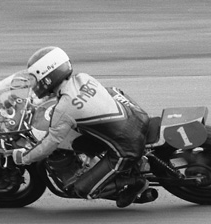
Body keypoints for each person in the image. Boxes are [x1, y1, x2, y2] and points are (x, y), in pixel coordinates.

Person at [12, 46, 151, 208]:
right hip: (136, 116)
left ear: (47, 78)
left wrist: (24, 158)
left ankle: (137, 182)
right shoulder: (83, 78)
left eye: (35, 79)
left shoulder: (64, 108)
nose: (34, 85)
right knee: (79, 142)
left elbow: (49, 144)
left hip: (127, 148)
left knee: (82, 189)